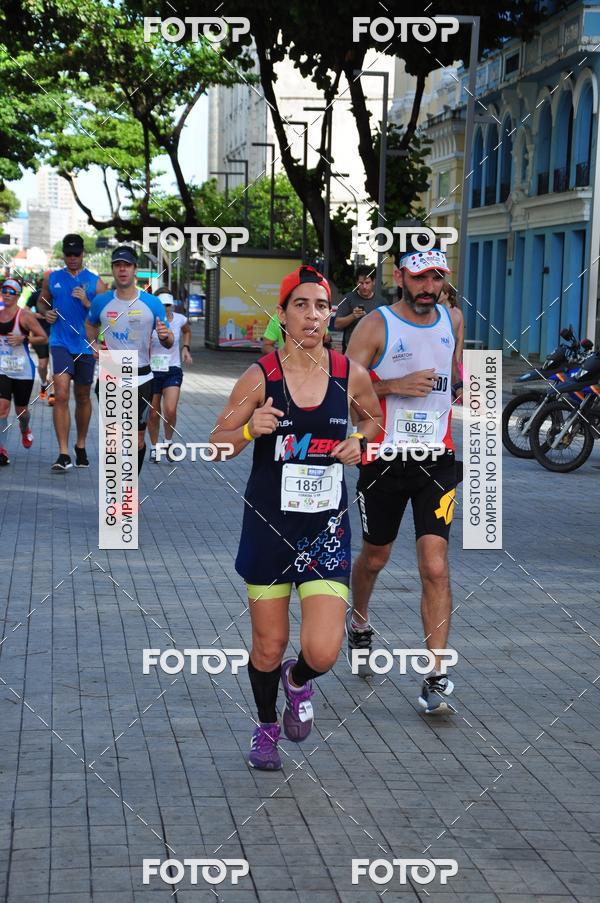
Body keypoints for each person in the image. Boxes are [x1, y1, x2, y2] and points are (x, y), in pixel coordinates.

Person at [211, 265, 381, 770]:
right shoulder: (260, 376)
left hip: (325, 531)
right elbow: (217, 445)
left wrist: (362, 443)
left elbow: (373, 419)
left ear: (331, 315)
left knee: (324, 650)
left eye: (321, 306)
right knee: (269, 645)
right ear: (282, 315)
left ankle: (299, 680)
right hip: (270, 529)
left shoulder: (349, 373)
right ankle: (265, 727)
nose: (312, 315)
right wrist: (248, 432)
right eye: (301, 305)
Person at [345, 248, 462, 714]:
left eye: (436, 278)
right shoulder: (375, 326)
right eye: (420, 278)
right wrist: (394, 386)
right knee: (376, 556)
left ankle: (435, 674)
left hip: (437, 459)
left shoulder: (452, 319)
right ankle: (359, 620)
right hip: (383, 459)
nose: (428, 287)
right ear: (401, 278)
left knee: (434, 565)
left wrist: (458, 387)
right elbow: (343, 389)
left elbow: (450, 374)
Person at [86, 246, 173, 475]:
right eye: (117, 265)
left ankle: (129, 487)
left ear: (135, 269)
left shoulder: (152, 303)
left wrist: (165, 337)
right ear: (113, 270)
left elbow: (169, 340)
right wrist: (93, 344)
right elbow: (89, 324)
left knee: (137, 440)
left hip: (142, 377)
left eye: (127, 265)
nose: (122, 269)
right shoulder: (101, 302)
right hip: (111, 376)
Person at [40, 234, 108, 470]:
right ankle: (63, 453)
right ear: (63, 254)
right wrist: (45, 313)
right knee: (60, 394)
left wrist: (89, 304)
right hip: (60, 342)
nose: (72, 258)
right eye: (68, 254)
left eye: (76, 254)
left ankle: (80, 445)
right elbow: (42, 302)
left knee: (82, 396)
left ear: (82, 254)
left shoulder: (96, 282)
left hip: (85, 346)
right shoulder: (52, 278)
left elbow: (106, 316)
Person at [0, 278, 49, 464]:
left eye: (11, 291)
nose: (6, 294)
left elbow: (43, 338)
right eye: (4, 290)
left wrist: (24, 339)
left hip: (22, 370)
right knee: (2, 408)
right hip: (2, 368)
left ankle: (25, 428)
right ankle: (2, 449)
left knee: (22, 412)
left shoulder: (25, 316)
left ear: (18, 295)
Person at [148, 290, 192, 463]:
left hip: (173, 369)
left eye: (168, 305)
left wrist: (185, 348)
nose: (165, 308)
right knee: (152, 412)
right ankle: (154, 447)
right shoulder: (149, 321)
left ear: (172, 304)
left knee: (170, 409)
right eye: (162, 305)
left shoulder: (180, 319)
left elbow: (187, 331)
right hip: (152, 371)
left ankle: (167, 442)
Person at [334, 265, 388, 353]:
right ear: (356, 283)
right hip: (351, 350)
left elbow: (387, 327)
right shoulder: (348, 299)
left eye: (367, 283)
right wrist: (353, 316)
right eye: (361, 283)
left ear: (373, 282)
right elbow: (337, 324)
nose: (364, 287)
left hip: (375, 350)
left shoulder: (381, 302)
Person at [24, 278, 53, 400]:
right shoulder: (35, 295)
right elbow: (25, 310)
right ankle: (43, 383)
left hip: (55, 335)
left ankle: (52, 394)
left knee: (54, 366)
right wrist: (38, 315)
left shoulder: (58, 296)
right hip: (40, 335)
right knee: (42, 366)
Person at [262, 312, 331, 355]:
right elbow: (266, 346)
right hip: (286, 368)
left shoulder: (314, 316)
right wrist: (281, 357)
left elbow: (326, 338)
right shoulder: (278, 317)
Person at [440, 281, 464, 388]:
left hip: (450, 358)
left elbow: (460, 339)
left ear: (446, 295)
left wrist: (456, 361)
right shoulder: (433, 311)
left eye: (439, 292)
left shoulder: (456, 313)